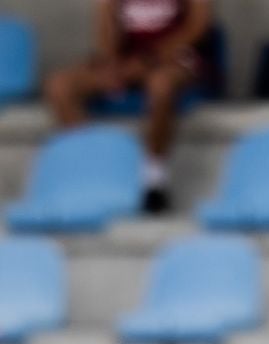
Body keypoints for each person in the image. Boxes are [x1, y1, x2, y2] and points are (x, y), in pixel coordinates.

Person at [43, 0, 214, 214]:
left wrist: (149, 59)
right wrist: (112, 64)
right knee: (59, 86)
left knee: (160, 86)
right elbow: (106, 30)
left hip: (173, 60)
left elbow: (198, 27)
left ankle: (154, 179)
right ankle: (94, 172)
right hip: (127, 62)